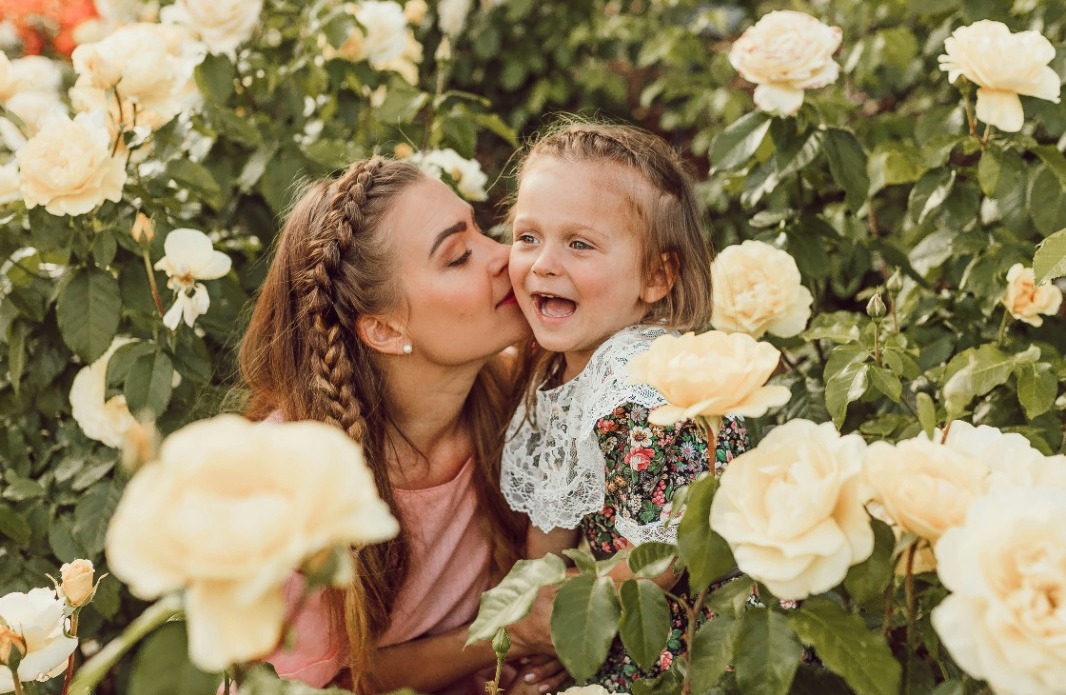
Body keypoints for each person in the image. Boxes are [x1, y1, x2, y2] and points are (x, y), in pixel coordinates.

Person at [238, 157, 567, 694]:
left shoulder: (519, 392)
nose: (505, 257)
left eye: (482, 230)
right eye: (458, 256)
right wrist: (509, 633)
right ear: (386, 331)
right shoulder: (288, 485)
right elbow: (320, 687)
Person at [500, 121, 751, 690]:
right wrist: (534, 626)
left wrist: (571, 630)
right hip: (616, 617)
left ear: (657, 276)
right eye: (527, 237)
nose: (543, 264)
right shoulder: (557, 374)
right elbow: (547, 541)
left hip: (685, 640)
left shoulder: (648, 384)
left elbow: (660, 559)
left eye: (580, 244)